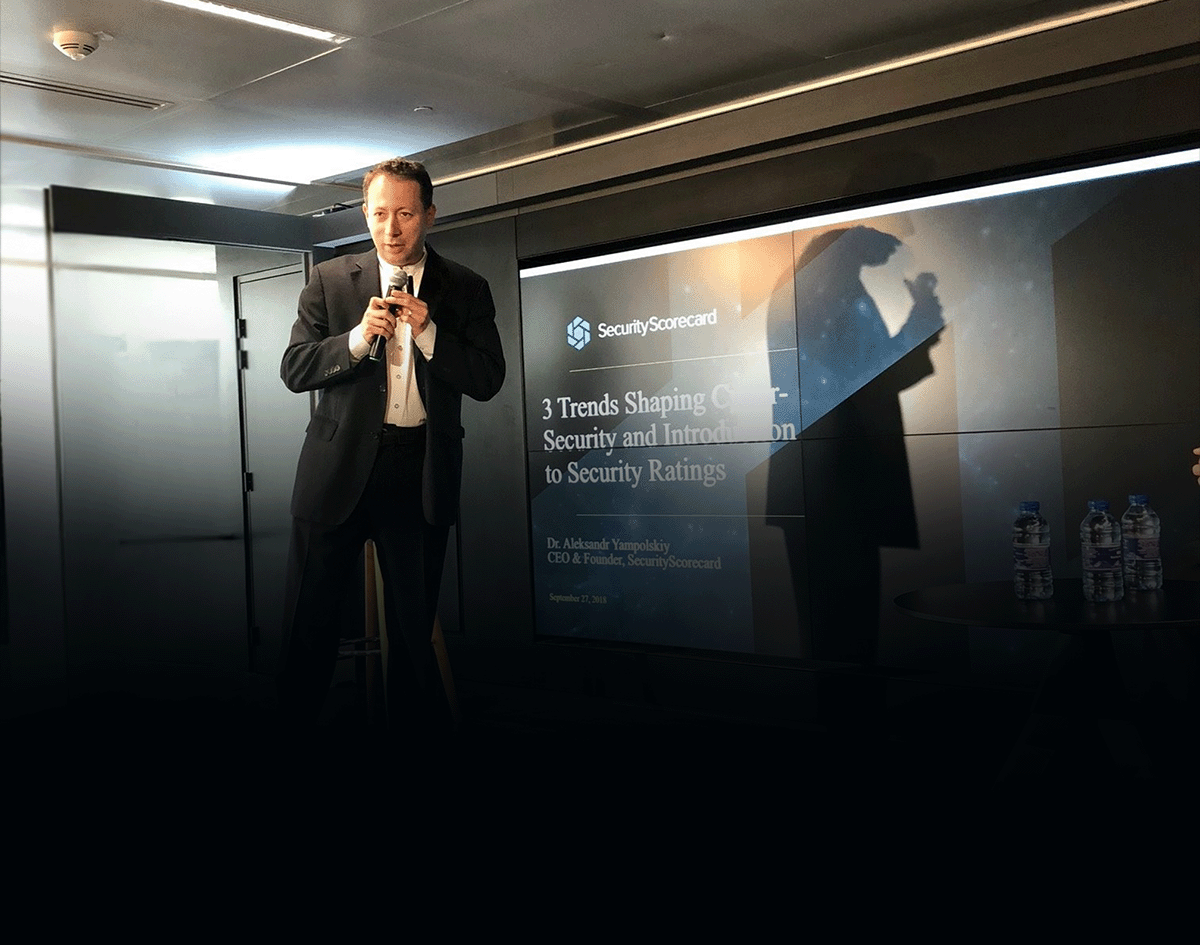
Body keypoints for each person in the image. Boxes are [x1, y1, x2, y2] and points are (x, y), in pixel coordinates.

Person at [277, 157, 505, 737]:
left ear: (429, 215)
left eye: (405, 214)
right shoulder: (330, 280)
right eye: (380, 214)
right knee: (310, 624)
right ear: (366, 214)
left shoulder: (466, 288)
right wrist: (355, 341)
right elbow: (294, 368)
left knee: (412, 632)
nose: (392, 229)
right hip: (336, 471)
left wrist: (430, 333)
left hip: (420, 470)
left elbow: (487, 379)